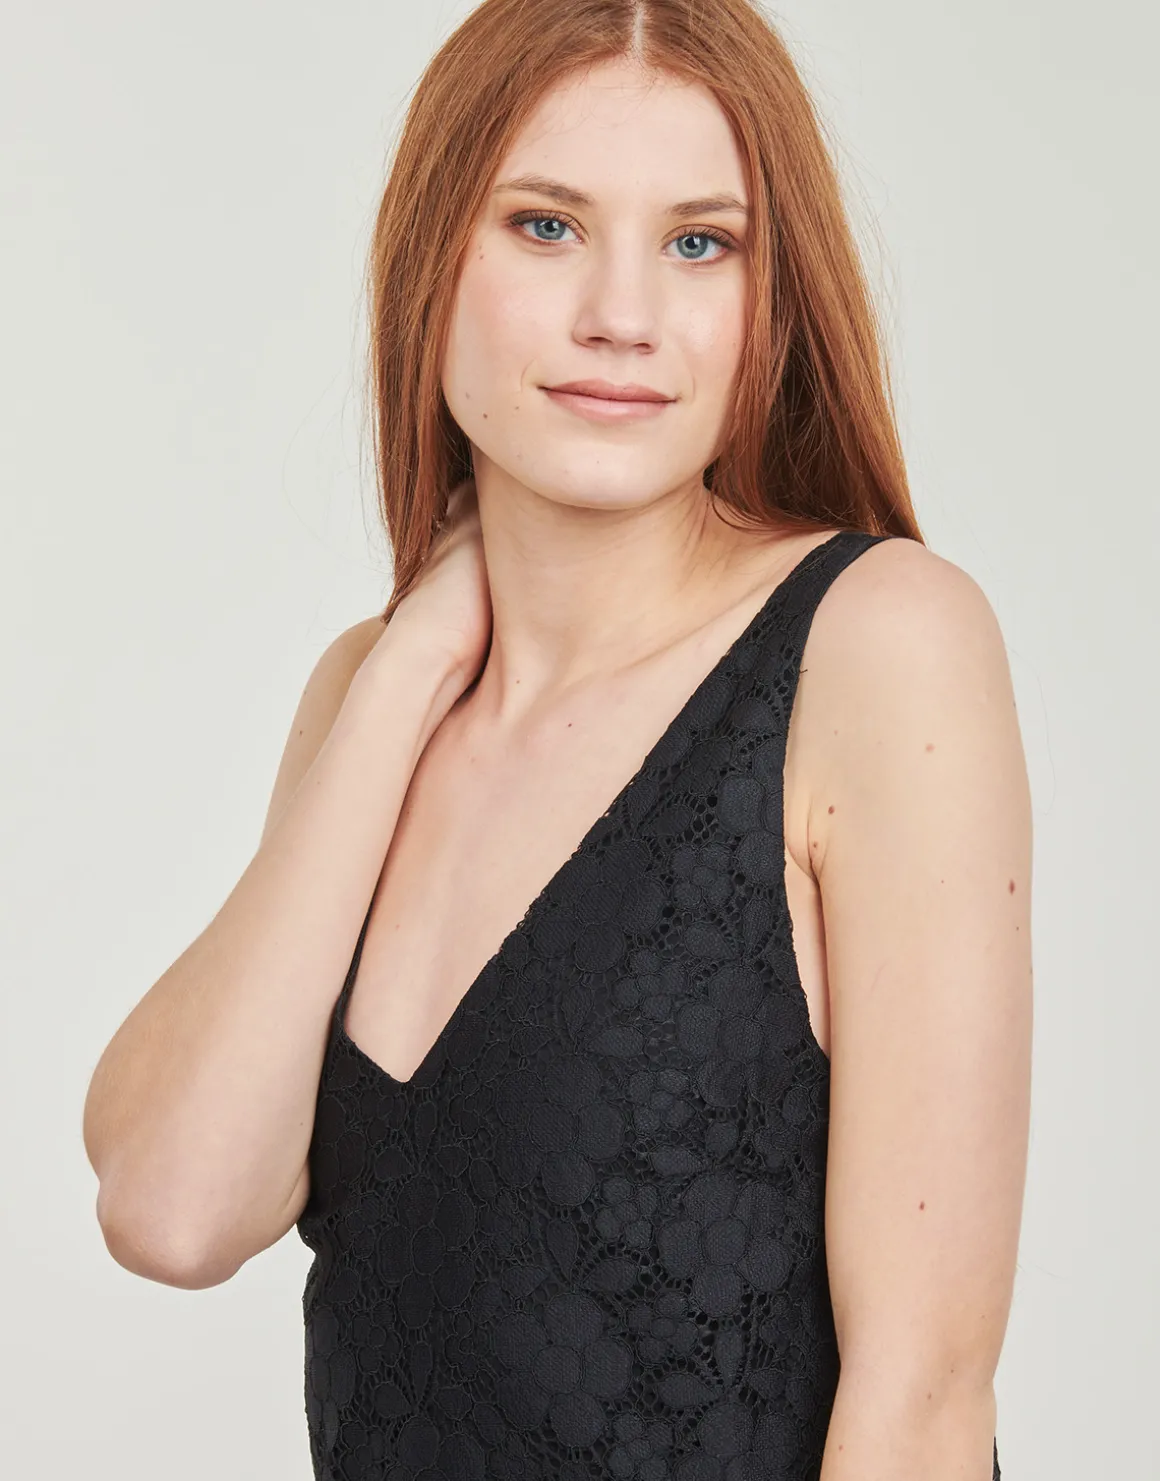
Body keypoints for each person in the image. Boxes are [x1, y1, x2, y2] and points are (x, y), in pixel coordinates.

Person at [83, 2, 1031, 1478]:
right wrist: (411, 667)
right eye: (546, 226)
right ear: (432, 259)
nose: (622, 315)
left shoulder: (877, 645)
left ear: (771, 298)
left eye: (700, 242)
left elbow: (923, 1400)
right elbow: (173, 1209)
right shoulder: (372, 697)